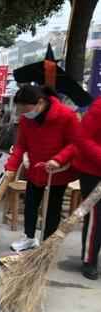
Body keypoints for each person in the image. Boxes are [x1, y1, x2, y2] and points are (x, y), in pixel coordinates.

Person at [5, 85, 79, 252]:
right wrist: (10, 167)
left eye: (25, 109)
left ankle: (47, 242)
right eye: (20, 109)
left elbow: (75, 143)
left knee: (53, 207)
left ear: (40, 103)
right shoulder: (26, 119)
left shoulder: (67, 116)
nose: (23, 113)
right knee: (31, 203)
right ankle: (29, 237)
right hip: (35, 169)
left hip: (56, 171)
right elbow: (20, 145)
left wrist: (58, 160)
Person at [72, 98, 101, 280]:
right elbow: (82, 138)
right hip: (93, 171)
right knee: (96, 219)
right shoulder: (99, 107)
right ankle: (89, 260)